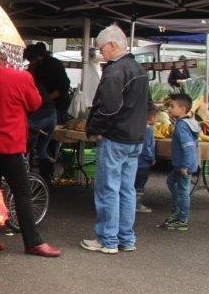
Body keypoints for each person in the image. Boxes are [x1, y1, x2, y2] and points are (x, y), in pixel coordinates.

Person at [0, 51, 61, 257]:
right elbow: (35, 103)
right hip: (8, 142)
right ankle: (33, 242)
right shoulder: (23, 77)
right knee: (22, 192)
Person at [82, 24, 152, 255]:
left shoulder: (115, 71)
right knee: (126, 190)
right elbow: (149, 107)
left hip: (115, 138)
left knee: (107, 189)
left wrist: (94, 128)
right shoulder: (139, 69)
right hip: (135, 138)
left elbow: (109, 109)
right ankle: (126, 239)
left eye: (102, 49)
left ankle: (107, 240)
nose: (101, 53)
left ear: (112, 45)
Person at [160, 93, 200, 232]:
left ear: (183, 109)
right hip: (181, 165)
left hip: (184, 166)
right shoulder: (187, 122)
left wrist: (186, 166)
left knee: (184, 192)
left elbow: (188, 147)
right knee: (171, 181)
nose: (169, 109)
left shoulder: (182, 126)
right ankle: (178, 209)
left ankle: (182, 220)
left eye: (172, 106)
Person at [25, 42, 71, 124]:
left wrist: (45, 99)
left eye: (30, 59)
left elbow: (64, 86)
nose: (30, 62)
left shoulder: (54, 64)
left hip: (57, 106)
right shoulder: (36, 66)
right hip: (43, 105)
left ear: (38, 57)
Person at [27, 80, 57, 183]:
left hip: (41, 115)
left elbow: (32, 104)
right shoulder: (37, 84)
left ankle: (27, 177)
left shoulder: (31, 85)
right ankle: (46, 180)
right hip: (52, 115)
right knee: (42, 149)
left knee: (25, 146)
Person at [135, 106, 157, 213]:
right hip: (143, 163)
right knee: (140, 184)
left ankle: (128, 203)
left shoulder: (137, 127)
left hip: (135, 160)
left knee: (132, 183)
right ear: (151, 117)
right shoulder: (148, 130)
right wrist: (151, 158)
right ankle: (137, 204)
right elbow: (146, 147)